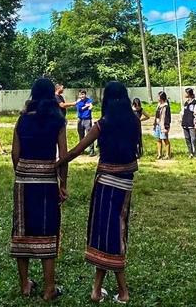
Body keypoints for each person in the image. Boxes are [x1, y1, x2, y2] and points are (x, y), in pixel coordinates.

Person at [58, 81, 141, 303]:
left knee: (106, 234)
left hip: (105, 184)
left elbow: (77, 150)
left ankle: (122, 291)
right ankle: (97, 289)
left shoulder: (103, 124)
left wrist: (56, 164)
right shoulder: (134, 122)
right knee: (114, 231)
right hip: (125, 185)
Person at [10, 79, 68, 301]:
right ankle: (49, 288)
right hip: (47, 182)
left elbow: (15, 154)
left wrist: (23, 172)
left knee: (22, 230)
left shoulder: (22, 119)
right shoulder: (57, 120)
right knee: (47, 230)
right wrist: (63, 183)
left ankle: (24, 284)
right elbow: (63, 156)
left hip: (23, 181)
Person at [181, 88, 196, 159]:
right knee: (187, 138)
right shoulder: (186, 103)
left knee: (193, 139)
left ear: (189, 94)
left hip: (191, 124)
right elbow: (183, 113)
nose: (184, 94)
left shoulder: (195, 103)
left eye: (185, 93)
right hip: (185, 123)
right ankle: (190, 153)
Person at [75, 90, 96, 157]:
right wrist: (86, 106)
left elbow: (91, 106)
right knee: (81, 135)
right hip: (80, 120)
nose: (82, 96)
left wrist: (90, 106)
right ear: (79, 95)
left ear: (85, 95)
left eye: (83, 94)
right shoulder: (78, 102)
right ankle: (81, 150)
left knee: (89, 135)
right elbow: (80, 109)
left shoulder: (89, 100)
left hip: (87, 119)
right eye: (80, 94)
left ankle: (91, 151)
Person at [154, 92, 172, 160]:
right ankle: (159, 154)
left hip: (163, 125)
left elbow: (167, 117)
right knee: (158, 139)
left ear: (161, 98)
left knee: (165, 139)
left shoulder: (166, 106)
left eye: (158, 96)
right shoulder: (158, 105)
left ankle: (167, 155)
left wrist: (166, 127)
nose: (157, 98)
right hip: (158, 125)